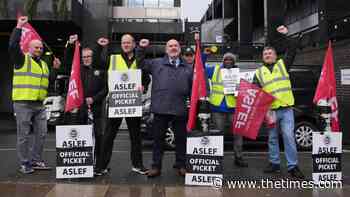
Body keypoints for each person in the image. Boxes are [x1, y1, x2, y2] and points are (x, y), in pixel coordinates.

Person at [9, 16, 61, 174]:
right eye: (36, 47)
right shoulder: (21, 59)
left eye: (40, 48)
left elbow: (49, 80)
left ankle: (36, 160)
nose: (39, 49)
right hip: (23, 103)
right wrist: (18, 27)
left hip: (39, 104)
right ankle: (25, 163)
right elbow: (12, 45)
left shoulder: (44, 64)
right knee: (23, 135)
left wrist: (55, 69)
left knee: (42, 133)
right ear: (28, 48)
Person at [253, 25, 304, 179]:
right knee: (272, 138)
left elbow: (293, 49)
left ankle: (293, 166)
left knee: (288, 137)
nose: (268, 55)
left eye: (270, 53)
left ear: (275, 56)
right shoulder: (258, 72)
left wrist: (285, 35)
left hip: (286, 109)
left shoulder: (283, 65)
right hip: (271, 111)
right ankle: (274, 163)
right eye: (265, 53)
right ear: (263, 57)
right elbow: (255, 92)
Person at [95, 34, 151, 176]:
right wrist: (99, 47)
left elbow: (145, 77)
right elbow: (96, 62)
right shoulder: (113, 59)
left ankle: (137, 165)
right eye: (123, 43)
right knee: (109, 136)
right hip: (116, 102)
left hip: (132, 102)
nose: (125, 45)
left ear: (134, 44)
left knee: (135, 136)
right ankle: (101, 166)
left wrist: (144, 85)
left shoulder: (139, 59)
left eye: (128, 42)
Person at [140, 39, 193, 177]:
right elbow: (140, 64)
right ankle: (156, 167)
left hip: (180, 108)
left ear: (180, 49)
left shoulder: (188, 67)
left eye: (176, 45)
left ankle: (181, 165)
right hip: (160, 109)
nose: (173, 48)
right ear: (166, 49)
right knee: (158, 140)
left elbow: (193, 88)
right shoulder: (156, 63)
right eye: (170, 46)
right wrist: (142, 49)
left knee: (181, 140)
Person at [64, 34, 108, 170]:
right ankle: (81, 165)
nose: (86, 59)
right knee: (79, 135)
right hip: (79, 109)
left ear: (93, 57)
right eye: (83, 57)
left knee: (98, 137)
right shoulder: (76, 70)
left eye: (88, 56)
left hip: (96, 109)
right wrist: (71, 45)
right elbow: (67, 60)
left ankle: (99, 166)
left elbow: (106, 88)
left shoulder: (100, 69)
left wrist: (94, 99)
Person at [205, 52, 248, 167]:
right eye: (226, 59)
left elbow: (246, 88)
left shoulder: (239, 73)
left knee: (238, 134)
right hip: (218, 108)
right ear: (222, 61)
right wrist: (204, 55)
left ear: (234, 62)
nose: (228, 61)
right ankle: (217, 159)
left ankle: (238, 158)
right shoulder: (215, 70)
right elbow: (200, 67)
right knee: (218, 136)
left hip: (234, 108)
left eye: (231, 59)